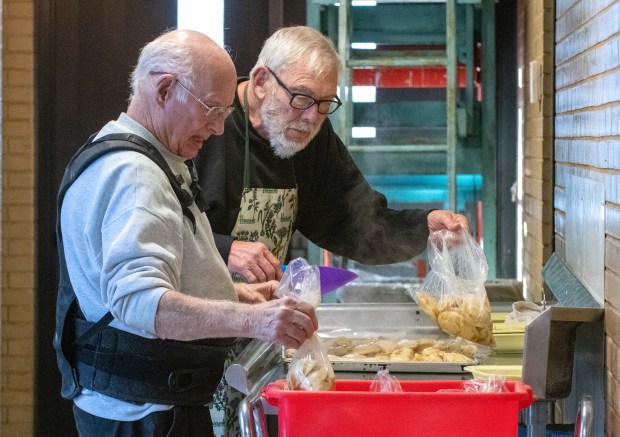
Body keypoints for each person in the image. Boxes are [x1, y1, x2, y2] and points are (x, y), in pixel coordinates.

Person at [195, 26, 468, 436]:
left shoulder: (312, 140)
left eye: (325, 105)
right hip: (187, 342)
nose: (311, 119)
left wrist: (423, 227)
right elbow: (159, 232)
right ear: (263, 80)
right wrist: (224, 249)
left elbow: (357, 222)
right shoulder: (204, 126)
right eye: (302, 99)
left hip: (260, 339)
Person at [53, 29, 318, 437]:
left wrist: (234, 294)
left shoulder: (136, 151)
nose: (217, 129)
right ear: (163, 89)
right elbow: (139, 302)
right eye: (211, 109)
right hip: (144, 416)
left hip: (145, 405)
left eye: (225, 113)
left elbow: (157, 277)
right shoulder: (136, 175)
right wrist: (255, 320)